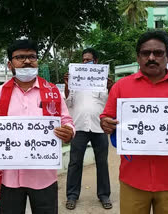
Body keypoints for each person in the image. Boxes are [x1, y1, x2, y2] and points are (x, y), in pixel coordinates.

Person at [0, 39, 75, 214]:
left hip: (44, 176)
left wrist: (69, 132)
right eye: (20, 57)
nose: (27, 61)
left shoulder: (53, 91)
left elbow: (67, 122)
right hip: (9, 176)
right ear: (10, 63)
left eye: (32, 57)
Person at [100, 30, 168, 214]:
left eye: (158, 53)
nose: (151, 57)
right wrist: (106, 123)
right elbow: (106, 117)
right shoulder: (121, 87)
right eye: (145, 53)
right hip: (133, 178)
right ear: (138, 57)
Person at [64, 48, 112, 210]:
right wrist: (67, 85)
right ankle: (72, 196)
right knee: (75, 163)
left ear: (96, 62)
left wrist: (110, 87)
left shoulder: (103, 82)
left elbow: (111, 103)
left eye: (89, 60)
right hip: (79, 128)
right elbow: (68, 103)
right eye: (83, 60)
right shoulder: (75, 81)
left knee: (102, 163)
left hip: (99, 128)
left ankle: (104, 195)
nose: (85, 62)